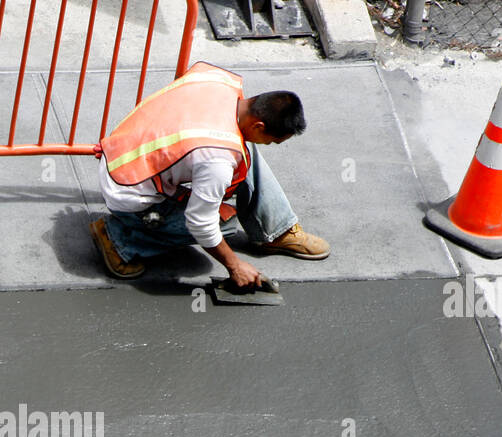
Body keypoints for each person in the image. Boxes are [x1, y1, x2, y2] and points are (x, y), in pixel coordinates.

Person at [90, 61, 328, 288]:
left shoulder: (218, 82)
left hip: (124, 155)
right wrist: (234, 265)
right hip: (129, 192)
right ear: (259, 126)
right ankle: (120, 240)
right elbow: (200, 223)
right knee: (223, 222)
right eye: (273, 141)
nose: (270, 145)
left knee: (244, 147)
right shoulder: (217, 157)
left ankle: (276, 229)